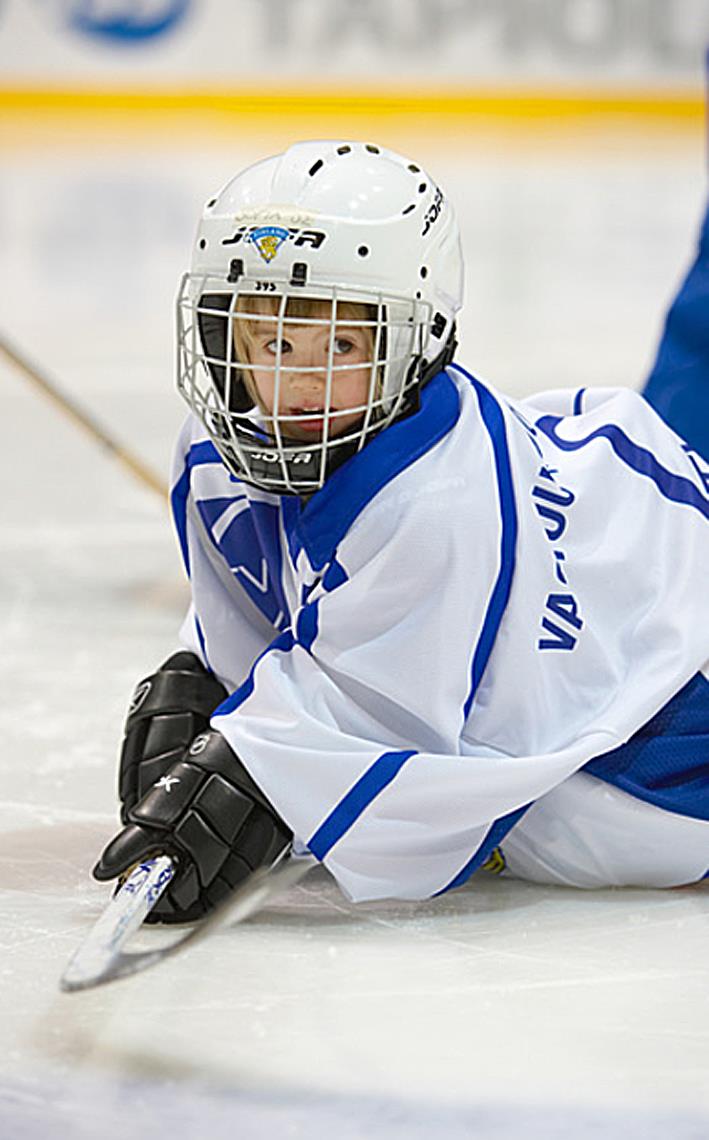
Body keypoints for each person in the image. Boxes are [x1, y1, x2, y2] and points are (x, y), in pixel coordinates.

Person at [93, 140, 709, 922]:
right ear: (222, 344)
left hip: (663, 761)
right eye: (273, 343)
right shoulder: (213, 454)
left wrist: (256, 769)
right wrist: (209, 679)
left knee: (566, 827)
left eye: (341, 346)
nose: (301, 383)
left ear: (411, 343)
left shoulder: (437, 493)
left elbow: (388, 717)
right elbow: (278, 617)